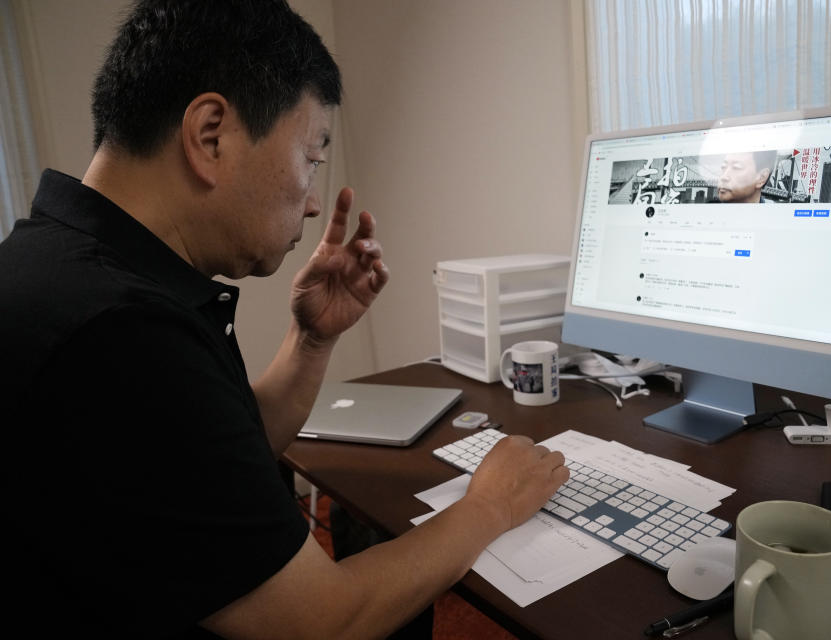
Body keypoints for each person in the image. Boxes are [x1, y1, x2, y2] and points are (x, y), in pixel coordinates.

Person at [0, 1, 569, 638]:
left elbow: (210, 459)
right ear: (210, 134)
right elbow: (320, 622)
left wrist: (311, 336)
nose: (314, 200)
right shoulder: (120, 332)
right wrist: (490, 505)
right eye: (312, 158)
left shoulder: (59, 266)